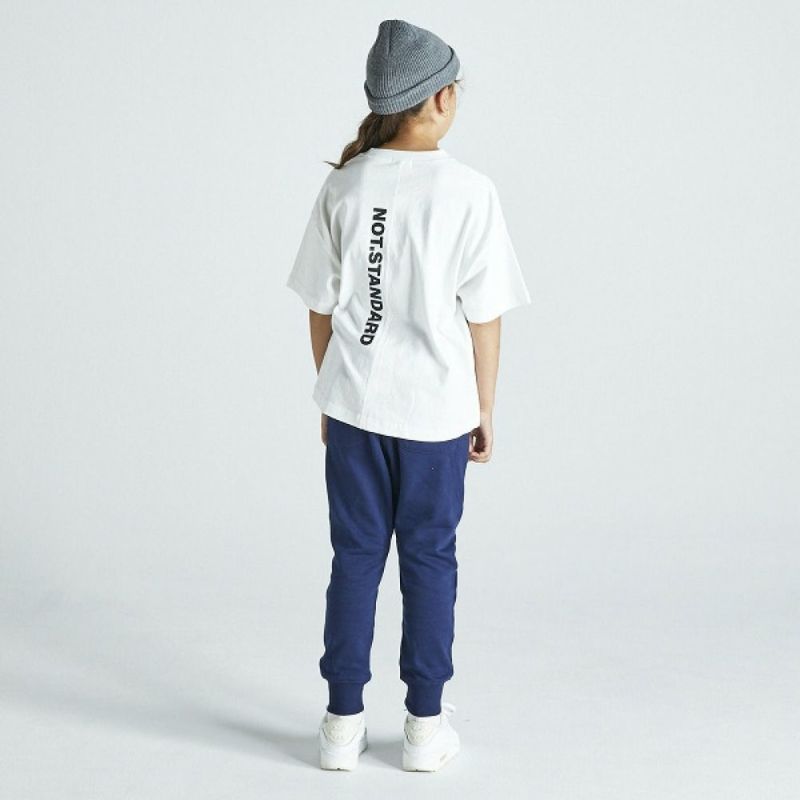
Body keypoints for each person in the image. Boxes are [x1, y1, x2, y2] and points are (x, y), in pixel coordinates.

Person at [286, 18, 532, 772]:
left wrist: (331, 392)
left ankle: (341, 723)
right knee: (430, 558)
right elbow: (484, 316)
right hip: (436, 414)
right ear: (441, 99)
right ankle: (424, 725)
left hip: (354, 409)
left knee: (354, 556)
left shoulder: (344, 185)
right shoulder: (470, 192)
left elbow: (320, 306)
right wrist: (484, 408)